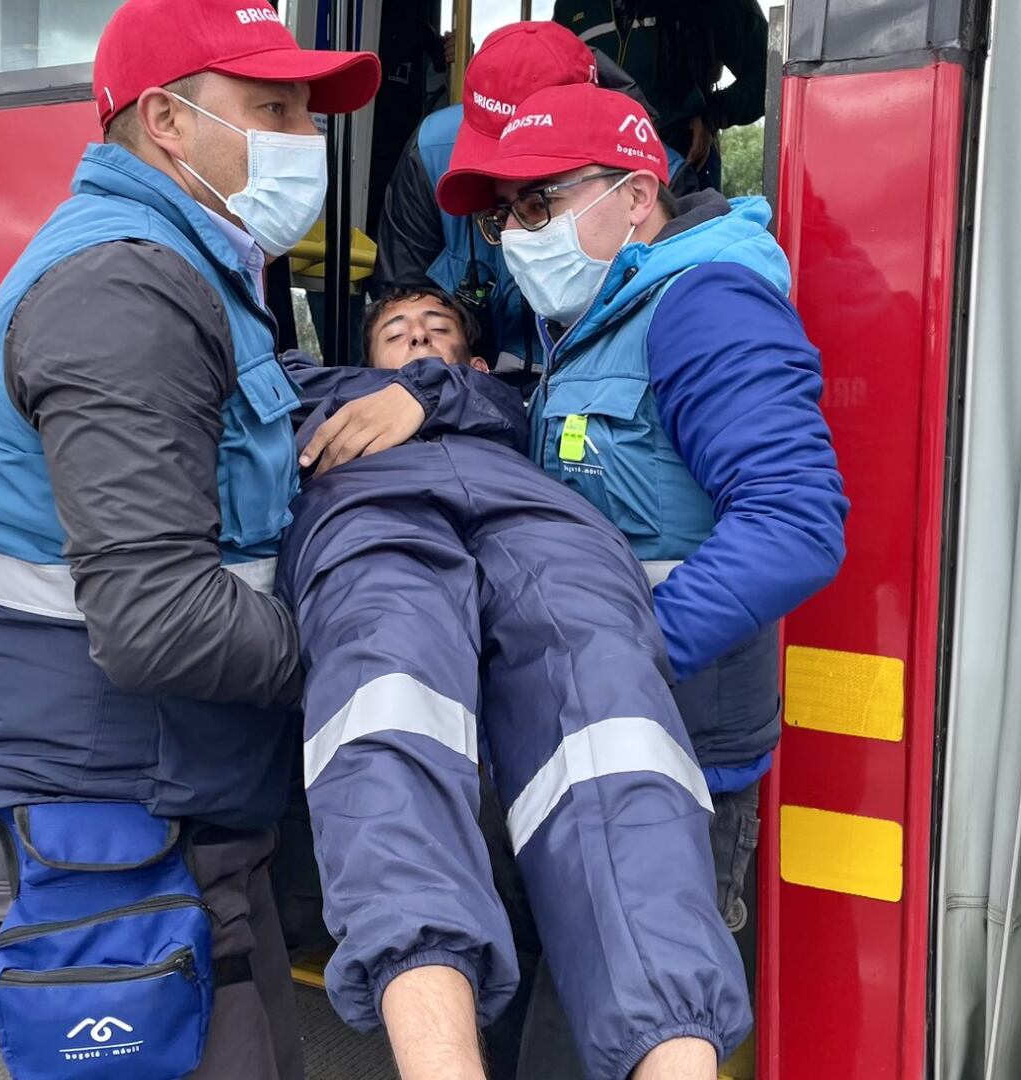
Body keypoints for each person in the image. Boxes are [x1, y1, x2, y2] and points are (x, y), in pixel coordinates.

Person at [0, 2, 384, 1076]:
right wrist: (375, 657)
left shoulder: (191, 268)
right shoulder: (124, 286)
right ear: (167, 123)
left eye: (306, 113)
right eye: (271, 108)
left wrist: (424, 401)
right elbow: (160, 621)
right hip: (114, 831)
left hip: (168, 810)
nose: (302, 139)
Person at [436, 83, 848, 1074]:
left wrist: (621, 657)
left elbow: (796, 523)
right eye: (502, 217)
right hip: (574, 747)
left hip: (667, 771)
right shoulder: (587, 320)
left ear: (634, 194)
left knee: (605, 1049)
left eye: (539, 207)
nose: (513, 237)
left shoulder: (704, 302)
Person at [279, 286, 749, 1080]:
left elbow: (500, 396)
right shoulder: (324, 396)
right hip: (369, 513)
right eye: (396, 334)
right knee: (388, 704)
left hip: (541, 523)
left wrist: (424, 394)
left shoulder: (513, 401)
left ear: (475, 355)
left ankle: (677, 1053)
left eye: (438, 331)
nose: (419, 341)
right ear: (363, 358)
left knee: (612, 723)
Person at [372, 21, 665, 373]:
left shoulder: (652, 173)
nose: (511, 228)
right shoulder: (432, 152)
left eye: (539, 198)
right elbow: (402, 300)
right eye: (499, 208)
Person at [551, 0, 769, 192]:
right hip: (587, 169)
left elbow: (769, 71)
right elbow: (550, 79)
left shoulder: (716, 4)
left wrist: (714, 113)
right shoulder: (570, 6)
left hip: (681, 164)